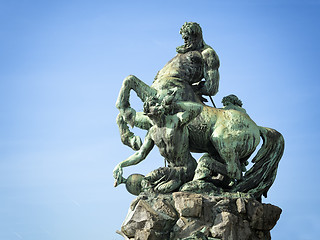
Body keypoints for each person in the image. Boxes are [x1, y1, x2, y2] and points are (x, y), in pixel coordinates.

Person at [113, 94, 203, 193]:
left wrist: (175, 105)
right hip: (172, 173)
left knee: (149, 179)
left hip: (187, 169)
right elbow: (140, 154)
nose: (159, 105)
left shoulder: (175, 120)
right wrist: (121, 165)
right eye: (154, 104)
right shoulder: (152, 132)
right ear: (148, 111)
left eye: (158, 103)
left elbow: (198, 108)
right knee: (156, 189)